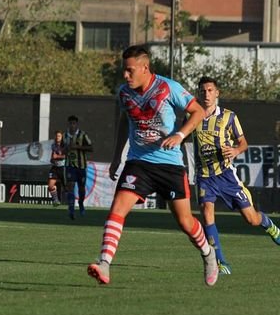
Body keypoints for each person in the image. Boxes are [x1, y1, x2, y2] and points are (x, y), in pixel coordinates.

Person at [87, 45, 218, 287]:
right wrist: (118, 156)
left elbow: (198, 112)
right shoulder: (124, 93)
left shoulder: (168, 87)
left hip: (170, 166)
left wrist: (179, 135)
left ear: (144, 67)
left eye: (129, 71)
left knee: (185, 221)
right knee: (118, 208)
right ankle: (104, 263)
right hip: (139, 163)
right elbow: (125, 122)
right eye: (123, 71)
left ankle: (208, 254)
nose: (125, 76)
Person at [195, 76, 280, 274]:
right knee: (207, 213)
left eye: (210, 90)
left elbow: (243, 143)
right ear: (198, 94)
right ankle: (220, 262)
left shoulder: (228, 117)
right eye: (202, 91)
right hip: (204, 177)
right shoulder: (193, 116)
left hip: (226, 176)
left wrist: (234, 151)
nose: (206, 94)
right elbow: (182, 135)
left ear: (217, 93)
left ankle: (268, 223)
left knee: (251, 219)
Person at [64, 115, 93, 219]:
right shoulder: (65, 136)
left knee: (81, 188)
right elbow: (62, 150)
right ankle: (71, 209)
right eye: (70, 123)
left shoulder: (83, 135)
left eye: (74, 123)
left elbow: (91, 148)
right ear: (68, 124)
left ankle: (80, 204)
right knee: (70, 186)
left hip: (81, 166)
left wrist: (77, 147)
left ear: (76, 124)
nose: (72, 125)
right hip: (70, 166)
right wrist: (65, 149)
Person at [48, 130, 66, 207]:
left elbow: (66, 156)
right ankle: (56, 200)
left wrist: (57, 157)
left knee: (67, 188)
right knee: (50, 186)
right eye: (56, 136)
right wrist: (52, 159)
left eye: (59, 136)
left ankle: (72, 203)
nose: (57, 137)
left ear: (62, 137)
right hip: (55, 167)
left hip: (63, 168)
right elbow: (53, 156)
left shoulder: (65, 146)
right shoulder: (53, 145)